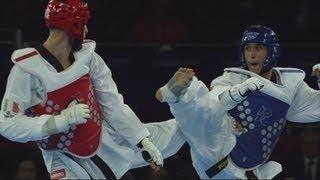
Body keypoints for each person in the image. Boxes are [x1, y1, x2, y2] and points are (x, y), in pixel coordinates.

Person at [0, 0, 185, 179]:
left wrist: (141, 140)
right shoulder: (27, 71)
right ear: (74, 25)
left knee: (183, 127)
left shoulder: (88, 58)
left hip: (107, 141)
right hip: (64, 159)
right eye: (84, 24)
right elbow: (7, 123)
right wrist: (59, 121)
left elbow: (113, 105)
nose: (86, 30)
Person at [156, 25, 320, 179]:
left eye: (258, 48)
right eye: (247, 48)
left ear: (272, 51)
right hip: (219, 153)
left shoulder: (290, 85)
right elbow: (215, 101)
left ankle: (177, 100)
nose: (252, 54)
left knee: (179, 128)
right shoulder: (233, 78)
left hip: (241, 170)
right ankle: (179, 95)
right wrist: (237, 93)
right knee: (206, 116)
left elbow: (316, 109)